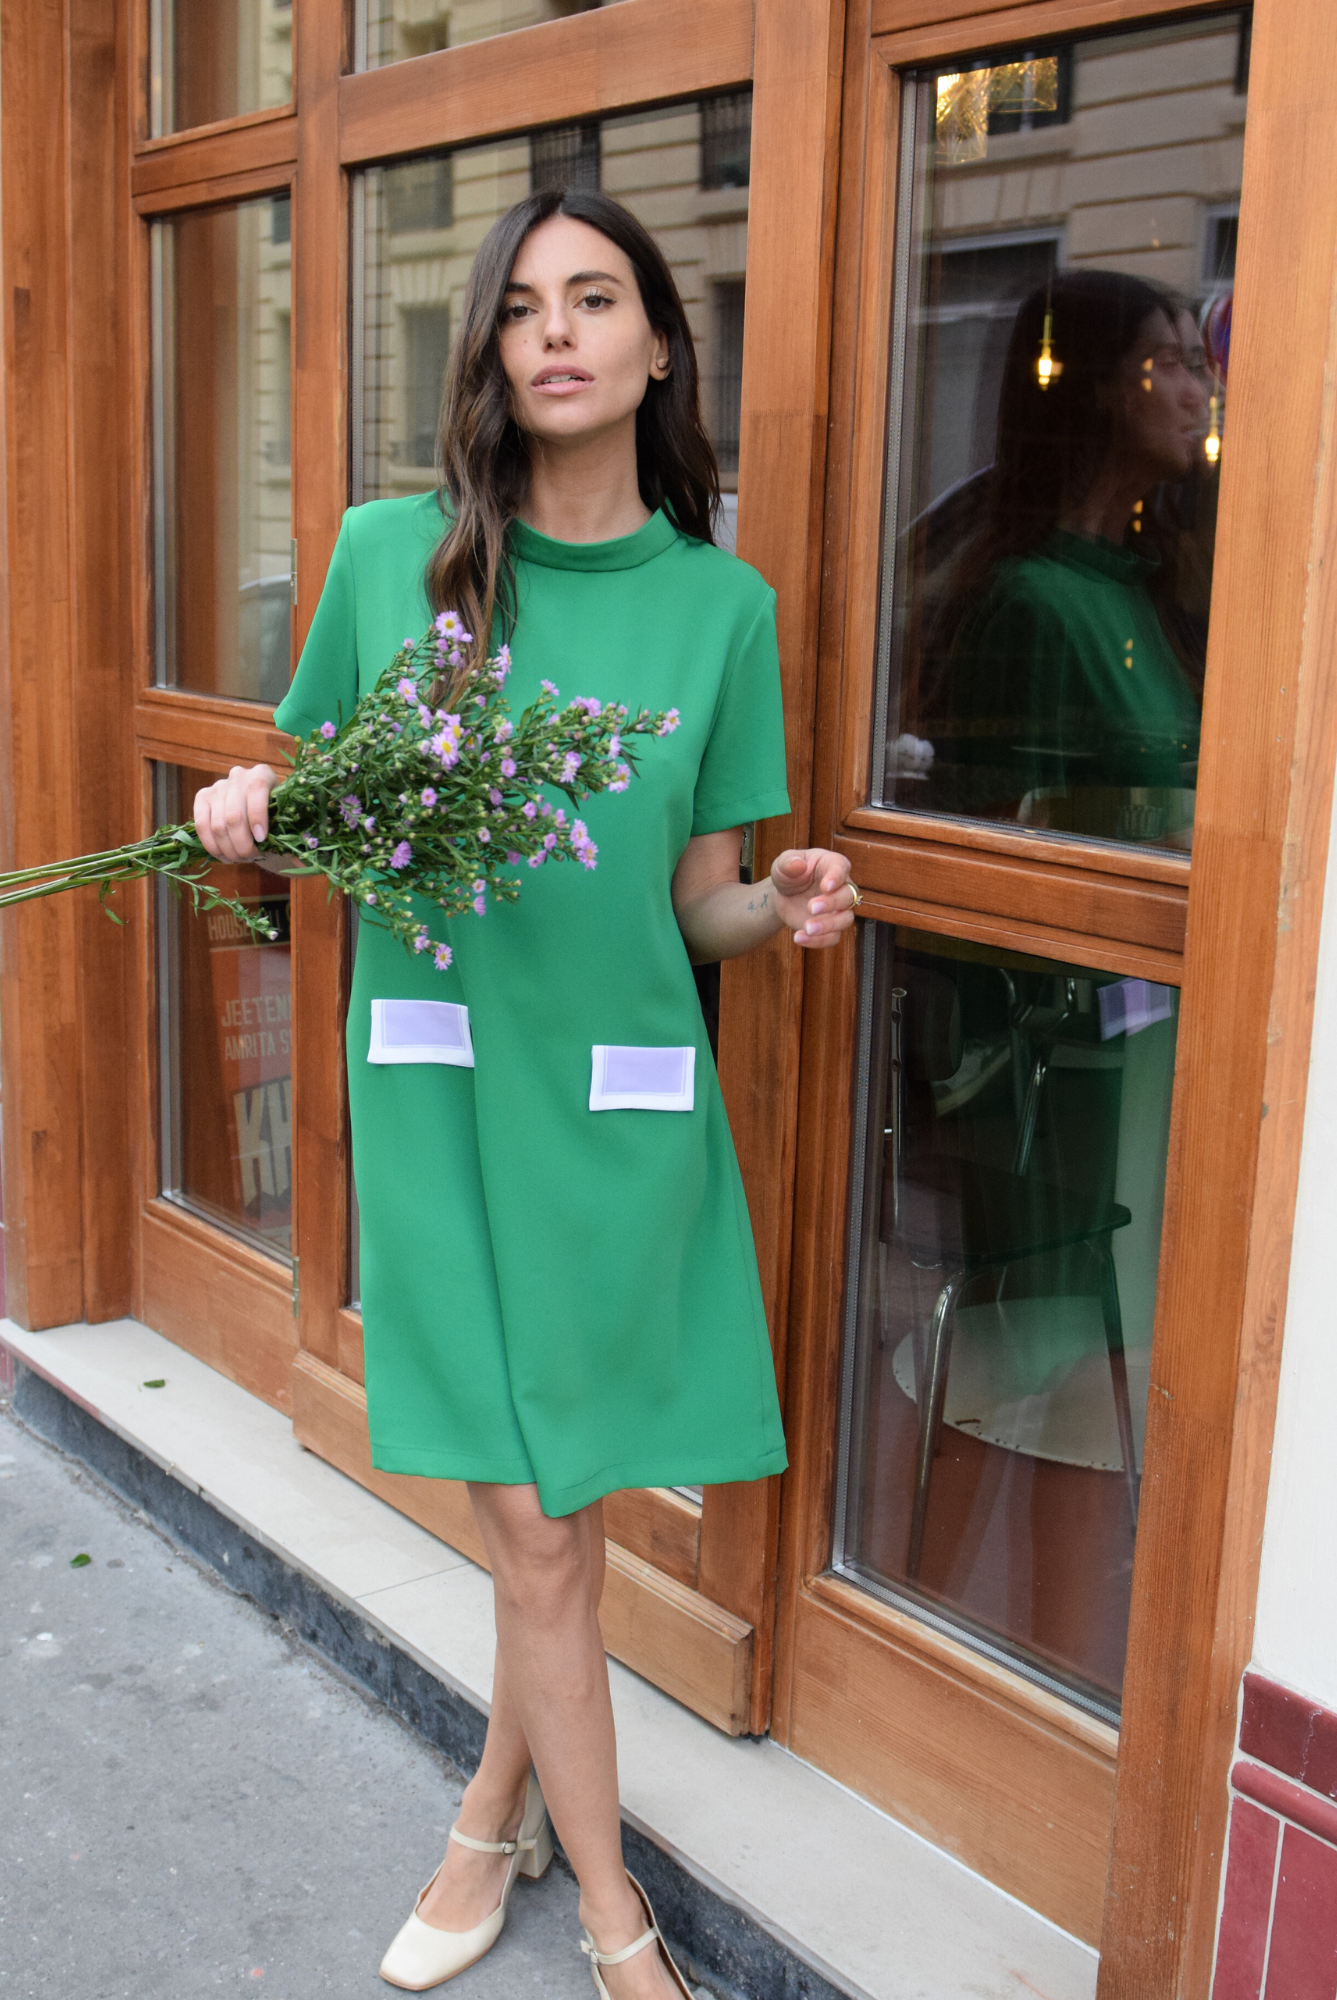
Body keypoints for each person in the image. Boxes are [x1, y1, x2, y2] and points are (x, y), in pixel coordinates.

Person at [193, 187, 858, 1998]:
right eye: (524, 306)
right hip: (438, 1098)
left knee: (550, 1524)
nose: (557, 330)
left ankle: (487, 1822)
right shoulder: (385, 556)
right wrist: (236, 821)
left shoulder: (725, 611)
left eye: (598, 298)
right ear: (491, 348)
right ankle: (624, 1934)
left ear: (655, 345)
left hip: (621, 1115)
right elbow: (305, 809)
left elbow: (694, 896)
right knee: (538, 1529)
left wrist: (775, 902)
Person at [912, 269, 1211, 842]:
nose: (1199, 396)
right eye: (1170, 365)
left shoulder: (1145, 588)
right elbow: (999, 853)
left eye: (1195, 366)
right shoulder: (1029, 604)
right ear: (1100, 387)